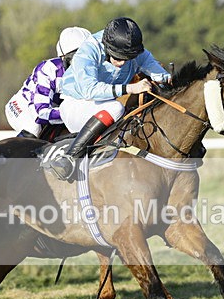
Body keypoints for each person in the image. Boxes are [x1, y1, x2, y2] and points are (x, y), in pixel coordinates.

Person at [46, 17, 171, 181]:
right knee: (116, 108)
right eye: (117, 57)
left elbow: (154, 68)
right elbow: (89, 90)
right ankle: (68, 158)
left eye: (127, 58)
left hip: (104, 104)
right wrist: (130, 88)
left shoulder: (134, 50)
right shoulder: (89, 51)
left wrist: (167, 78)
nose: (122, 63)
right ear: (107, 47)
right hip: (76, 104)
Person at [5, 26, 91, 138]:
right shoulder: (48, 70)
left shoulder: (95, 71)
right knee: (33, 130)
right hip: (25, 107)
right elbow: (41, 114)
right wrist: (74, 114)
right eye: (76, 59)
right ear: (63, 57)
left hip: (56, 110)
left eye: (88, 58)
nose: (82, 66)